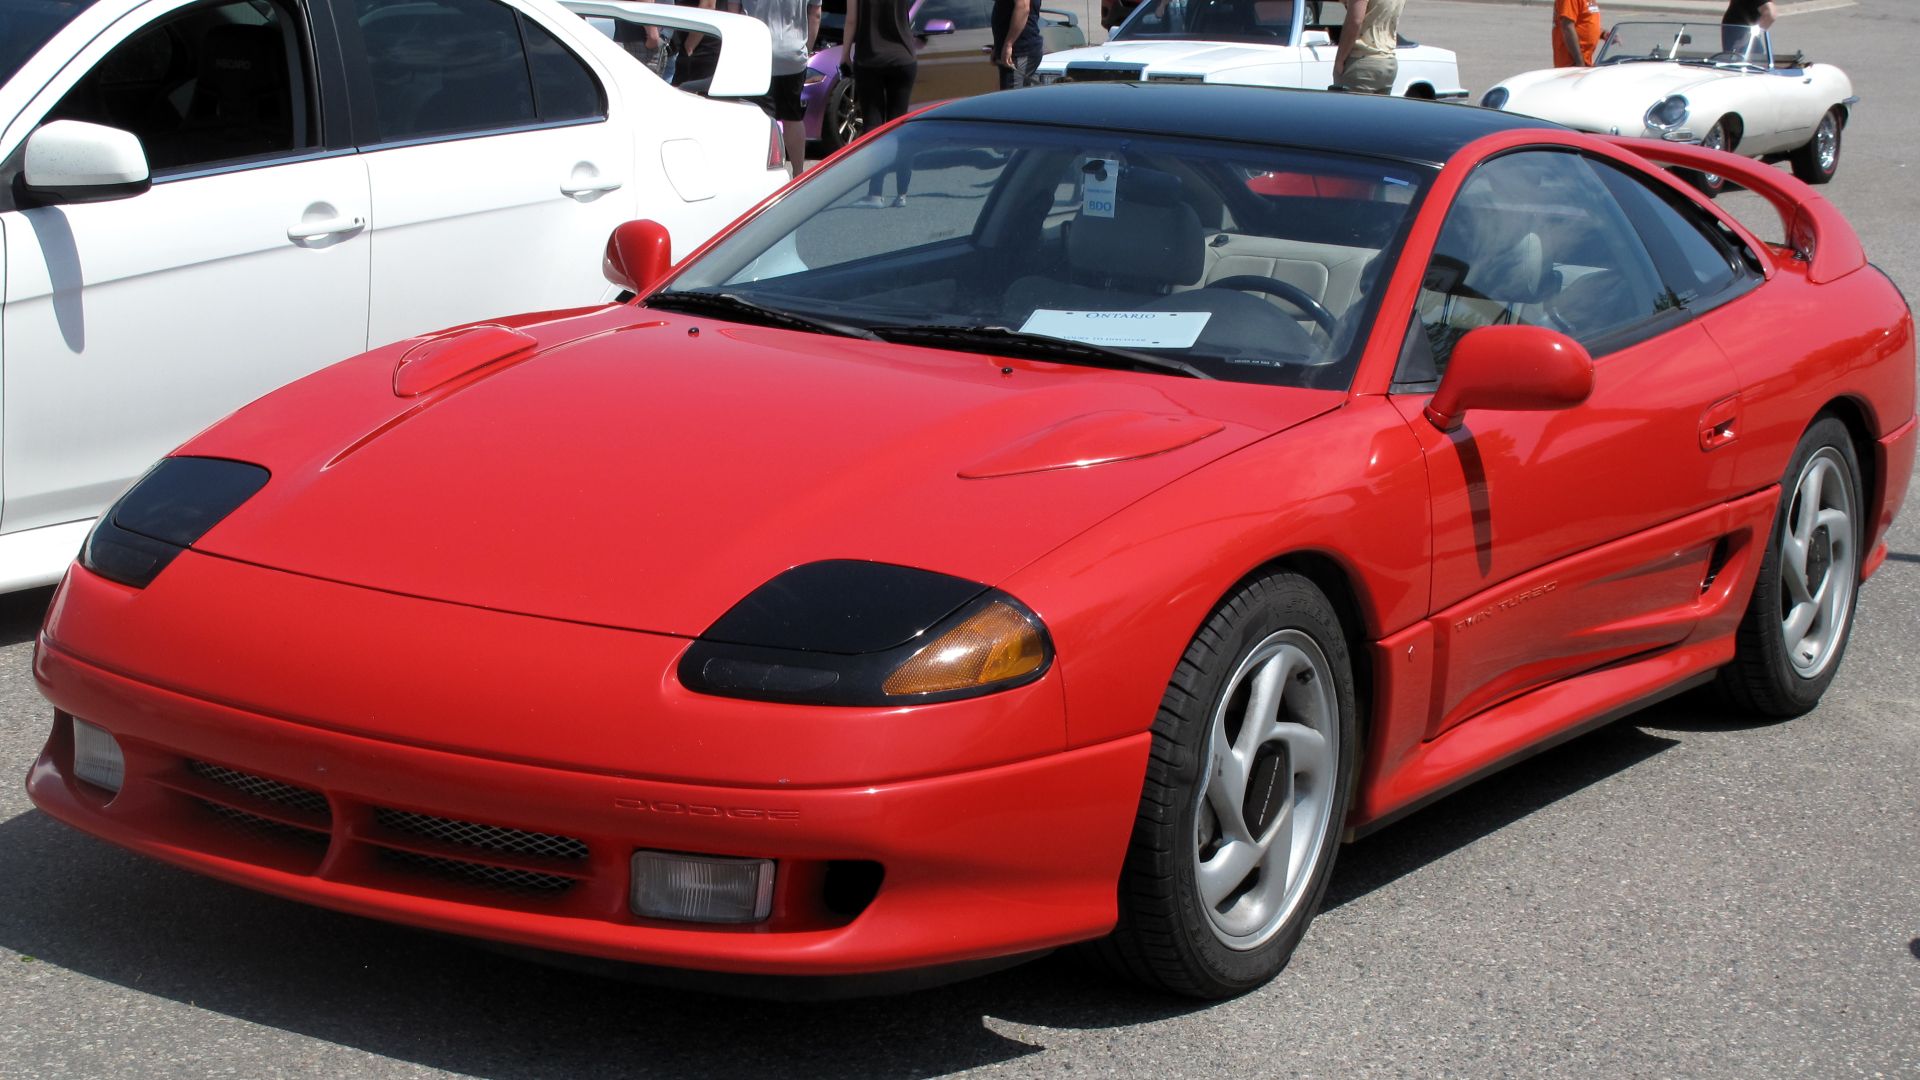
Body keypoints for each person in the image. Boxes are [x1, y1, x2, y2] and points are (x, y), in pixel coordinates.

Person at [845, 0, 917, 206]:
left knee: (873, 124)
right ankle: (902, 193)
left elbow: (851, 20)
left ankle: (875, 193)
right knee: (900, 126)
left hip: (870, 57)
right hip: (903, 56)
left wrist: (845, 55)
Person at [742, 0, 823, 174]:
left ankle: (760, 172)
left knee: (760, 116)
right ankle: (798, 173)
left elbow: (734, 12)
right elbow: (815, 13)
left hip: (756, 51)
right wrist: (806, 49)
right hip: (792, 54)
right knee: (792, 116)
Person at [1331, 0, 1405, 94]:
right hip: (1388, 60)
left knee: (1350, 107)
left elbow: (1355, 21)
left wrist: (1339, 60)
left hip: (1362, 62)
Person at [992, 0, 1044, 90]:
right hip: (1015, 51)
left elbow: (1023, 6)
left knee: (1012, 100)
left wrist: (1009, 44)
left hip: (1020, 51)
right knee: (1013, 98)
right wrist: (998, 46)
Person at [1552, 0, 1602, 68]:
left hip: (1584, 60)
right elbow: (1567, 27)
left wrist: (1602, 33)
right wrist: (1580, 63)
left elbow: (1586, 21)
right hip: (1571, 62)